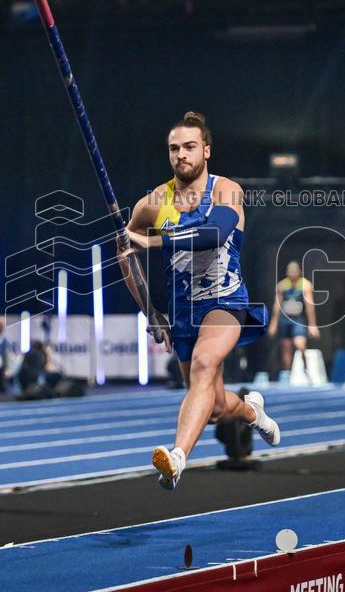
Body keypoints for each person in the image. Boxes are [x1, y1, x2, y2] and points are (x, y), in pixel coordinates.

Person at [119, 111, 280, 491]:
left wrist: (153, 241)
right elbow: (124, 252)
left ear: (206, 150)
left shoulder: (227, 190)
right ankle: (251, 411)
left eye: (189, 147)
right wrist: (150, 310)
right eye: (174, 149)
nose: (181, 155)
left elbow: (213, 233)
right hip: (183, 312)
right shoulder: (153, 203)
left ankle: (176, 459)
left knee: (206, 366)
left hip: (225, 302)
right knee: (213, 406)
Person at [267, 261, 319, 375]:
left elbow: (310, 306)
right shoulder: (281, 285)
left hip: (298, 319)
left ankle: (306, 368)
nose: (292, 273)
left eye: (295, 270)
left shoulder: (305, 285)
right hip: (285, 319)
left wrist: (312, 325)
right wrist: (273, 324)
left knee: (300, 344)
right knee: (286, 347)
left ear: (299, 272)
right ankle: (287, 372)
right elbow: (277, 306)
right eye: (290, 270)